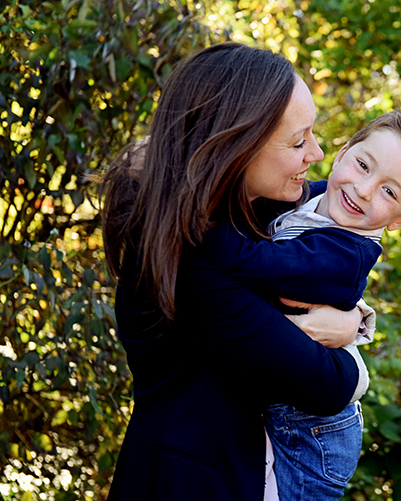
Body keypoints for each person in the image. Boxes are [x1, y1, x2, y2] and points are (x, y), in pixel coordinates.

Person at [99, 42, 367, 500]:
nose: (317, 153)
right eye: (298, 141)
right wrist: (346, 336)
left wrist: (353, 318)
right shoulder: (192, 261)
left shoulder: (232, 216)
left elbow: (338, 215)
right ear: (236, 146)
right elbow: (327, 385)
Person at [230, 109, 401, 500]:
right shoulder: (313, 196)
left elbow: (255, 263)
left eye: (389, 192)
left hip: (315, 431)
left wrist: (200, 226)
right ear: (343, 152)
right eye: (363, 165)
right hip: (285, 398)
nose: (363, 190)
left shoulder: (348, 255)